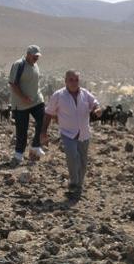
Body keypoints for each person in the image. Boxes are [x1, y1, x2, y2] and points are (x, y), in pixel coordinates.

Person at [40, 70, 101, 199]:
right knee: (73, 156)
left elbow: (94, 103)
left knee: (83, 162)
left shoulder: (85, 94)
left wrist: (97, 109)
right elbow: (49, 113)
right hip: (68, 133)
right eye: (71, 80)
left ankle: (79, 185)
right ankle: (73, 182)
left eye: (76, 80)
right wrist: (43, 132)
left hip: (84, 133)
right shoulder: (58, 95)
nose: (74, 83)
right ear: (66, 81)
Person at [8, 45, 45, 165]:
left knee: (43, 119)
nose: (36, 58)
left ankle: (36, 145)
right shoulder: (19, 64)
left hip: (36, 100)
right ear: (28, 54)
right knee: (22, 129)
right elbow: (13, 84)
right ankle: (18, 154)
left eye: (38, 56)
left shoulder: (35, 65)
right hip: (21, 103)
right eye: (34, 56)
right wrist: (23, 97)